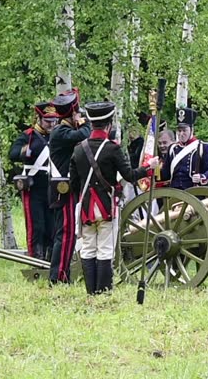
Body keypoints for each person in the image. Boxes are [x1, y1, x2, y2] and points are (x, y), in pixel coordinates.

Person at [70, 101, 158, 294]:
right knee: (105, 249)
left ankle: (91, 292)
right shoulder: (113, 149)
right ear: (109, 125)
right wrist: (148, 167)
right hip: (106, 206)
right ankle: (103, 291)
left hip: (85, 207)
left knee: (87, 248)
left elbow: (73, 184)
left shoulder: (78, 149)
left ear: (92, 124)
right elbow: (130, 176)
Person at [47, 89, 92, 284]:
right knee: (65, 234)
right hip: (61, 190)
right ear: (72, 113)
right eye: (77, 113)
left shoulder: (63, 129)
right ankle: (57, 276)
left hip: (67, 187)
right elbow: (84, 133)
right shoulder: (61, 131)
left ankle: (61, 274)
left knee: (67, 234)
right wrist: (88, 121)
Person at [9, 101, 59, 260]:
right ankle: (35, 259)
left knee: (52, 226)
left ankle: (50, 259)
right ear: (39, 118)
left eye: (54, 121)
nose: (51, 124)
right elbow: (13, 153)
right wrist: (26, 151)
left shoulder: (58, 135)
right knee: (36, 226)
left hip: (53, 187)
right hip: (34, 187)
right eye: (47, 121)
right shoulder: (28, 135)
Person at [160, 108, 208, 190]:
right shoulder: (172, 148)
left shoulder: (202, 147)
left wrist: (202, 176)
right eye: (179, 131)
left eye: (184, 130)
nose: (181, 134)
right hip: (175, 193)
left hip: (194, 193)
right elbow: (165, 174)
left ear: (191, 130)